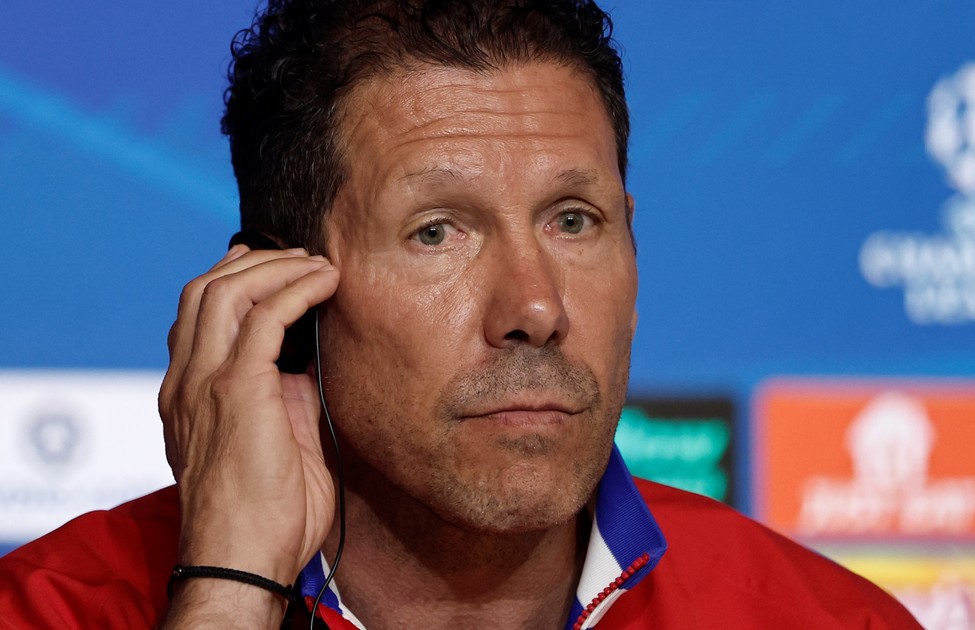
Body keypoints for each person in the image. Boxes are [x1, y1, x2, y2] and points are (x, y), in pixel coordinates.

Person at [0, 1, 921, 628]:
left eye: (573, 221)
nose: (536, 307)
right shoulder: (54, 609)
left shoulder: (824, 618)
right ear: (278, 301)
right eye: (437, 231)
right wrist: (229, 593)